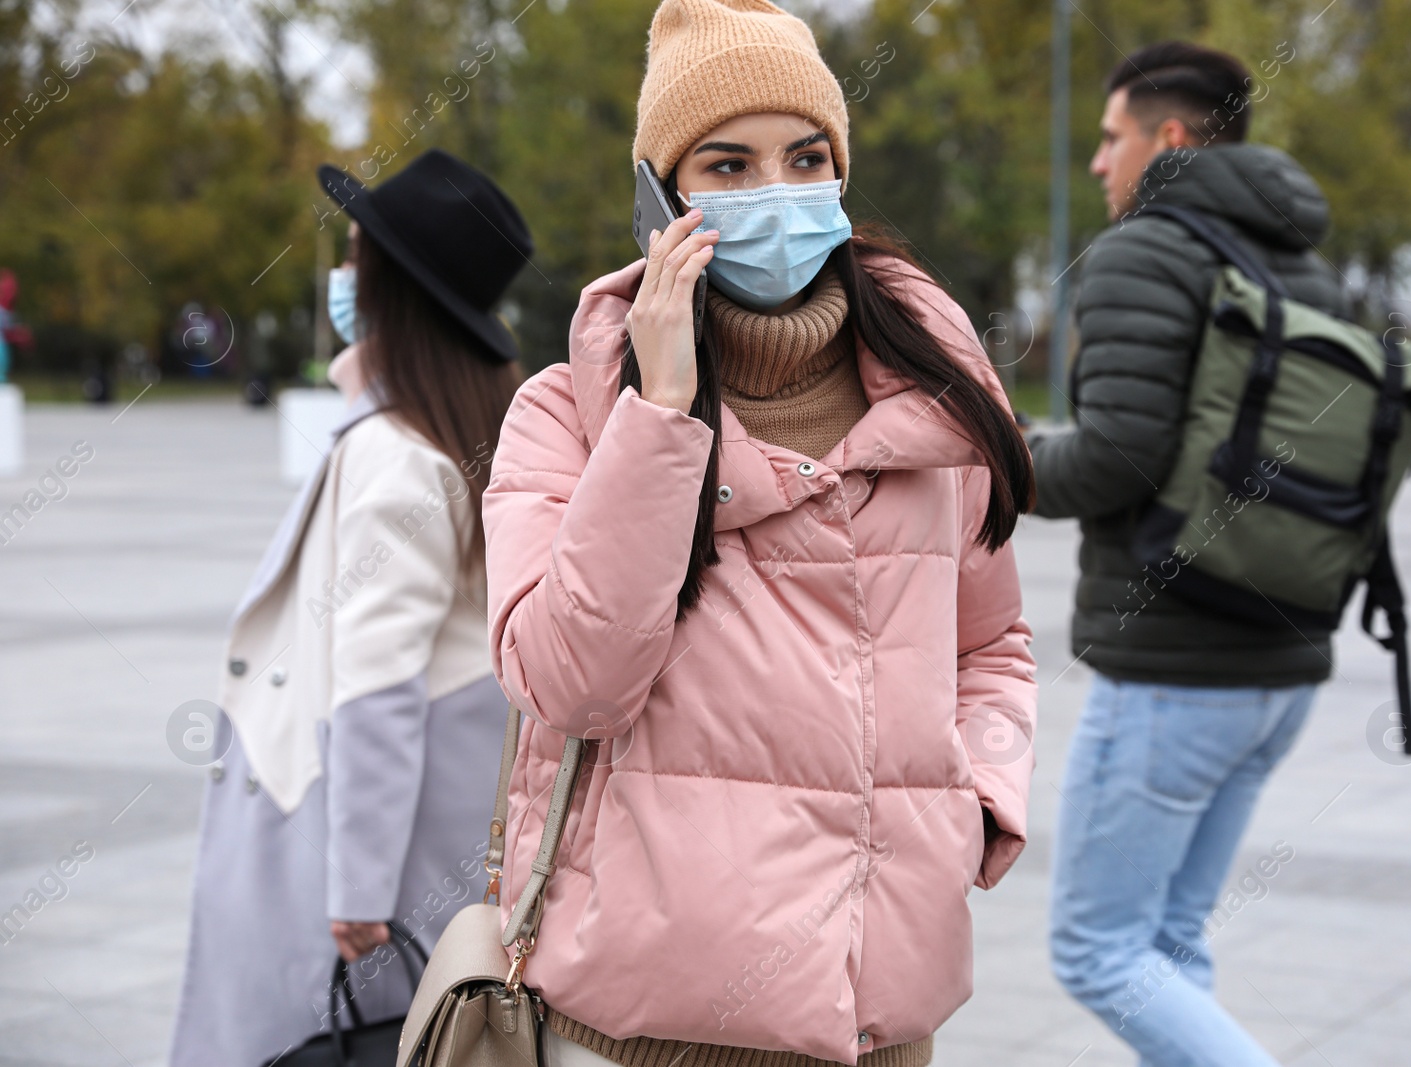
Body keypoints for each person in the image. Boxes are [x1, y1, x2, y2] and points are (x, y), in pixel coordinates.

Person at [482, 2, 1038, 1064]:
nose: (774, 193)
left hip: (880, 1016)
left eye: (805, 157)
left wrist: (974, 801)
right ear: (658, 197)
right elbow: (572, 682)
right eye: (726, 167)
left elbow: (992, 644)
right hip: (646, 1026)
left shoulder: (936, 397)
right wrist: (660, 412)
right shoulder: (567, 413)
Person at [168, 149, 532, 1067]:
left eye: (355, 256)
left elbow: (378, 689)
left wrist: (357, 890)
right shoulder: (472, 423)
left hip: (359, 845)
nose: (342, 275)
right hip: (441, 828)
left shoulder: (394, 449)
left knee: (318, 1040)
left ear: (391, 286)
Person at [1029, 41, 1346, 1067]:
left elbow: (1115, 457)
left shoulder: (1143, 252)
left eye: (1109, 136)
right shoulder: (1307, 268)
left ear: (1166, 139)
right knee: (1163, 944)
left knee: (1095, 949)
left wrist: (998, 456)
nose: (1096, 163)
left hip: (1173, 670)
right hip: (1280, 665)